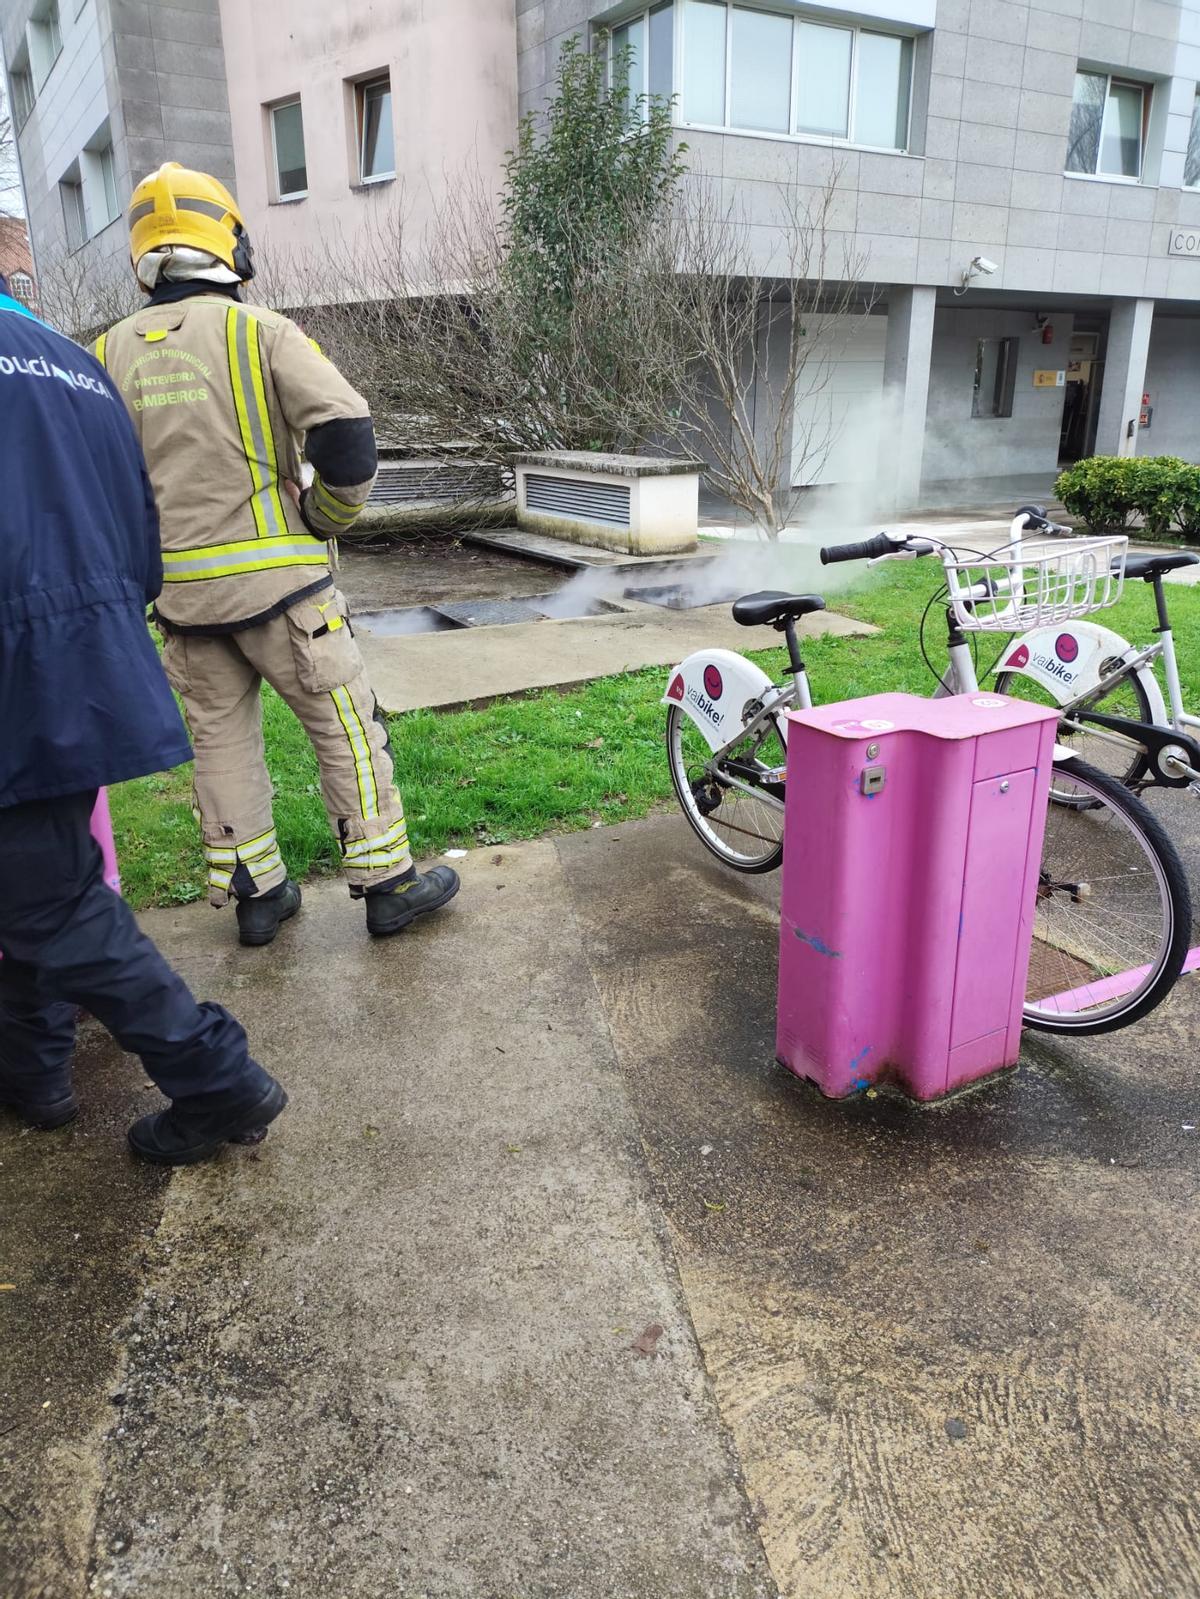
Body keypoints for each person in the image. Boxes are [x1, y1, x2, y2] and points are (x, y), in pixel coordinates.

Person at [95, 162, 459, 946]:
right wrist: (325, 516)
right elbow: (347, 434)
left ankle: (259, 895)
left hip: (183, 603)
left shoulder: (106, 355)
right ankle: (388, 881)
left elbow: (99, 482)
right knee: (345, 728)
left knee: (220, 743)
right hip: (285, 596)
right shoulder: (260, 332)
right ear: (229, 241)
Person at [0, 273, 286, 1164]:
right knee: (39, 886)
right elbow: (139, 524)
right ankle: (36, 1070)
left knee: (52, 901)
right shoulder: (66, 360)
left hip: (19, 658)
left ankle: (216, 1078)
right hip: (75, 656)